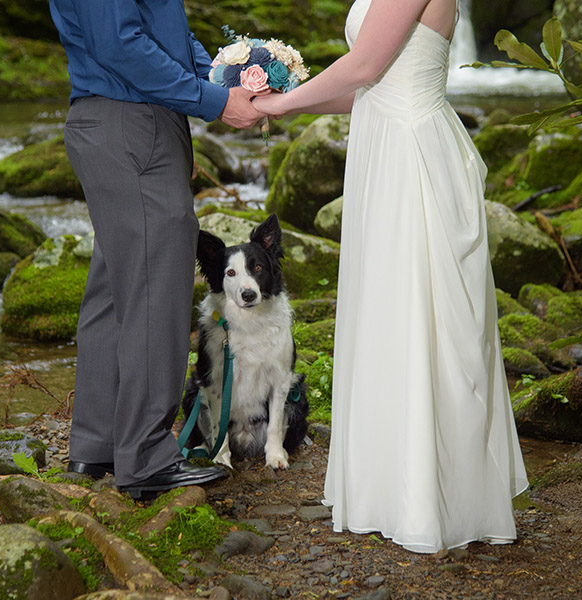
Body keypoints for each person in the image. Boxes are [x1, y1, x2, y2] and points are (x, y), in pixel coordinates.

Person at [254, 0, 529, 552]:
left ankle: (433, 499)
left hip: (411, 159)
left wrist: (281, 103)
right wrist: (282, 105)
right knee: (387, 318)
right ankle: (390, 486)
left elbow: (362, 67)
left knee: (422, 319)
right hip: (384, 150)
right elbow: (362, 84)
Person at [49, 0, 267, 498]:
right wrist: (211, 101)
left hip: (126, 121)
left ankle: (98, 445)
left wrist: (223, 82)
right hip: (132, 122)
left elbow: (162, 34)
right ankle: (145, 459)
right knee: (155, 293)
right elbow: (119, 45)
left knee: (115, 289)